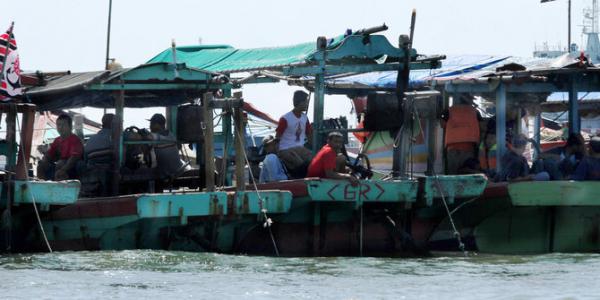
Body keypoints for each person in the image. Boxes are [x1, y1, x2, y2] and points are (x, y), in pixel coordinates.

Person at [441, 95, 482, 174]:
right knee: (468, 173)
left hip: (452, 148)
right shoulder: (475, 111)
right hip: (468, 148)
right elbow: (482, 126)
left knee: (453, 175)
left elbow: (442, 124)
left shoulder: (449, 110)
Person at [276, 90, 313, 175]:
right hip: (285, 149)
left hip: (299, 148)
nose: (307, 104)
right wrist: (278, 153)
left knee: (314, 160)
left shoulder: (305, 118)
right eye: (306, 102)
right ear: (300, 102)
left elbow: (309, 136)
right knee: (300, 163)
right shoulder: (285, 118)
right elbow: (277, 137)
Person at [37, 114, 84, 180]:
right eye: (58, 125)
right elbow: (50, 154)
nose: (60, 127)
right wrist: (44, 160)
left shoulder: (75, 140)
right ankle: (43, 185)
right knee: (41, 165)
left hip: (72, 168)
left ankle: (59, 187)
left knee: (60, 163)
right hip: (60, 166)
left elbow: (74, 158)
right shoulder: (57, 140)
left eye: (63, 125)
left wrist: (63, 169)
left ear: (70, 126)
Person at [146, 113, 186, 179]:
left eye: (152, 124)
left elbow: (148, 137)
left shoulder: (156, 136)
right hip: (178, 170)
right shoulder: (171, 134)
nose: (150, 126)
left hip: (166, 174)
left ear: (158, 125)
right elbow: (179, 147)